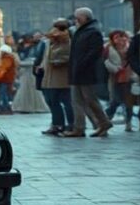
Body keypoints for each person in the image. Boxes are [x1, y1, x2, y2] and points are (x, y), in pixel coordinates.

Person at [63, 8, 113, 137]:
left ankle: (104, 122)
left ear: (85, 17)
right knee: (76, 101)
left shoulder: (93, 31)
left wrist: (81, 64)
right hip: (76, 71)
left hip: (86, 72)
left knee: (90, 100)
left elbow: (94, 52)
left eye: (78, 17)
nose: (75, 20)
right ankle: (79, 128)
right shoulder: (81, 30)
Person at [41, 19, 74, 134]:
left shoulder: (66, 41)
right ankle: (57, 124)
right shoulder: (51, 42)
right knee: (52, 101)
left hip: (62, 77)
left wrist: (59, 61)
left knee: (67, 102)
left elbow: (68, 56)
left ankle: (71, 124)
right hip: (50, 77)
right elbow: (47, 57)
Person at [103, 30, 134, 131]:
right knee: (115, 100)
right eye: (116, 37)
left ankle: (128, 123)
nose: (120, 39)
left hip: (129, 76)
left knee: (128, 102)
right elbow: (105, 62)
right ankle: (106, 118)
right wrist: (115, 68)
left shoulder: (130, 47)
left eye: (122, 36)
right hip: (115, 77)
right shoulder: (108, 48)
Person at [0, 45, 17, 115]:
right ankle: (6, 108)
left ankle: (5, 108)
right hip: (6, 79)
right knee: (6, 94)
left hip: (4, 79)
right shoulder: (8, 58)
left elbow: (3, 69)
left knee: (4, 94)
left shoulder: (7, 59)